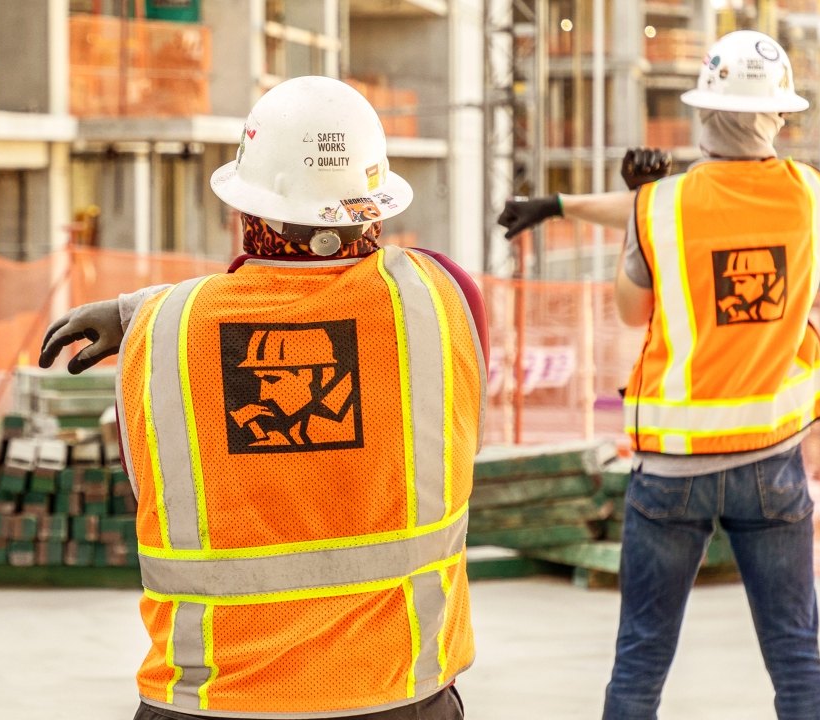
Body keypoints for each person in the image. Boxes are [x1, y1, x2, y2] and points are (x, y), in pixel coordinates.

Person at [41, 75, 488, 720]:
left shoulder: (163, 332)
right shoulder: (445, 301)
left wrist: (135, 310)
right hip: (396, 690)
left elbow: (153, 486)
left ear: (246, 206)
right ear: (376, 203)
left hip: (206, 699)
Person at [498, 30, 820, 720]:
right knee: (798, 665)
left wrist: (626, 209)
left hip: (673, 472)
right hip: (772, 463)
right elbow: (708, 202)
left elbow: (633, 309)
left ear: (700, 111)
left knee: (641, 663)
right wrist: (573, 207)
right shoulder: (810, 195)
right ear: (777, 114)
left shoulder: (661, 208)